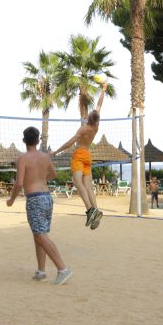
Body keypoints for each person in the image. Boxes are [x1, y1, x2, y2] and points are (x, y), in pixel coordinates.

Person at [7, 126, 71, 285]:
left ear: (24, 141)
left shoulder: (22, 158)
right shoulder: (45, 157)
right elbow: (54, 175)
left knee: (40, 236)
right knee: (39, 235)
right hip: (47, 198)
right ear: (37, 140)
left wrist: (11, 200)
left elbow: (19, 183)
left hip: (35, 199)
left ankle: (63, 269)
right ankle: (41, 271)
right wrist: (40, 179)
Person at [54, 82, 108, 230]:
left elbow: (69, 143)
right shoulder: (96, 127)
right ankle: (96, 211)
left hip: (79, 154)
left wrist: (56, 151)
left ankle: (90, 210)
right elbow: (99, 105)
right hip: (88, 155)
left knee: (78, 183)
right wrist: (103, 90)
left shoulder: (83, 129)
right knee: (88, 186)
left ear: (89, 118)